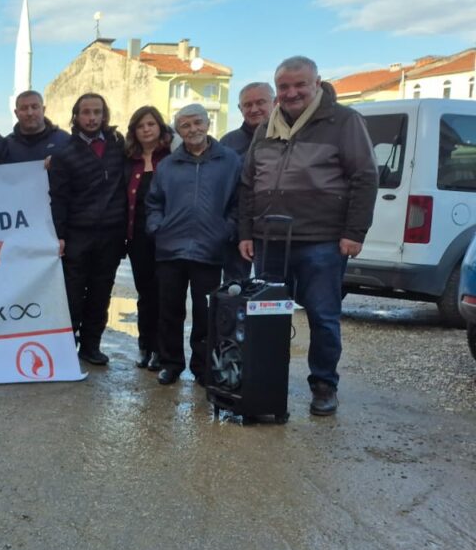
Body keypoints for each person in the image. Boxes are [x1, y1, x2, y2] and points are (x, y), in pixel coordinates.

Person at [238, 56, 377, 416]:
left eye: (300, 84)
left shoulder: (344, 121)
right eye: (284, 86)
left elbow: (365, 177)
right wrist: (247, 232)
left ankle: (323, 384)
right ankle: (267, 382)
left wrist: (353, 232)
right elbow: (248, 184)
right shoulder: (265, 127)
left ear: (317, 84)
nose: (292, 92)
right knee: (267, 315)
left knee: (322, 315)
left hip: (322, 240)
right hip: (270, 239)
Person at [146, 104, 241, 386]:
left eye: (197, 122)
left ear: (208, 123)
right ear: (178, 130)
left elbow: (238, 202)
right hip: (170, 250)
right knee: (169, 311)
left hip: (209, 250)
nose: (192, 130)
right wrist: (156, 227)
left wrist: (227, 229)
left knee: (205, 313)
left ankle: (202, 367)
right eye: (185, 125)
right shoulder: (168, 165)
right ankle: (171, 363)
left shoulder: (230, 161)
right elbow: (153, 203)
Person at [48, 93, 127, 365]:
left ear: (104, 115)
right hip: (77, 235)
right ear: (76, 116)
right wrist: (59, 235)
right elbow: (58, 198)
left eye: (97, 112)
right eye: (86, 112)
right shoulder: (63, 153)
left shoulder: (119, 146)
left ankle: (91, 346)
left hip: (111, 235)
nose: (92, 118)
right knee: (71, 294)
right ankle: (68, 345)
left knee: (100, 293)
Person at [123, 106, 174, 370]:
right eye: (141, 125)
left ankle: (162, 351)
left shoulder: (173, 157)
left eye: (151, 124)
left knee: (166, 295)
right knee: (146, 294)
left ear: (160, 127)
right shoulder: (129, 160)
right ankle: (145, 346)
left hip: (168, 237)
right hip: (137, 238)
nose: (146, 129)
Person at [220, 82, 275, 282]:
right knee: (234, 289)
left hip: (272, 229)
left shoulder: (287, 137)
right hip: (235, 228)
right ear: (240, 109)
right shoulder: (227, 143)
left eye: (260, 102)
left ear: (274, 102)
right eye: (247, 104)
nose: (254, 109)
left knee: (271, 290)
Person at [5, 90, 69, 169]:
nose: (30, 113)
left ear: (43, 110)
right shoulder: (5, 146)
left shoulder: (64, 140)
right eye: (24, 108)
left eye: (35, 107)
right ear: (16, 113)